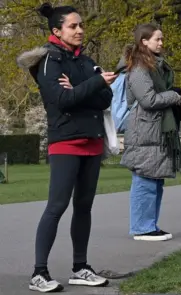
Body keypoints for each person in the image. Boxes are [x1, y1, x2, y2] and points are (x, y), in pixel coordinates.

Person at [16, 2, 116, 292]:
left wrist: (83, 88)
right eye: (73, 26)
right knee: (57, 206)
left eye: (81, 25)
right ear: (57, 30)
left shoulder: (85, 61)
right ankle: (39, 273)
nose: (80, 30)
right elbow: (62, 100)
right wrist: (94, 83)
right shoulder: (49, 61)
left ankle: (80, 267)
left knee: (84, 206)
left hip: (93, 141)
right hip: (65, 142)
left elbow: (105, 99)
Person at [119, 24, 181, 241]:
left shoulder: (154, 66)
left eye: (161, 39)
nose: (161, 43)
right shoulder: (139, 68)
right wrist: (173, 96)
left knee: (155, 181)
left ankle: (150, 225)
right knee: (145, 180)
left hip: (156, 131)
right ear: (144, 41)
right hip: (145, 131)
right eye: (157, 39)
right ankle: (141, 228)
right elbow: (148, 100)